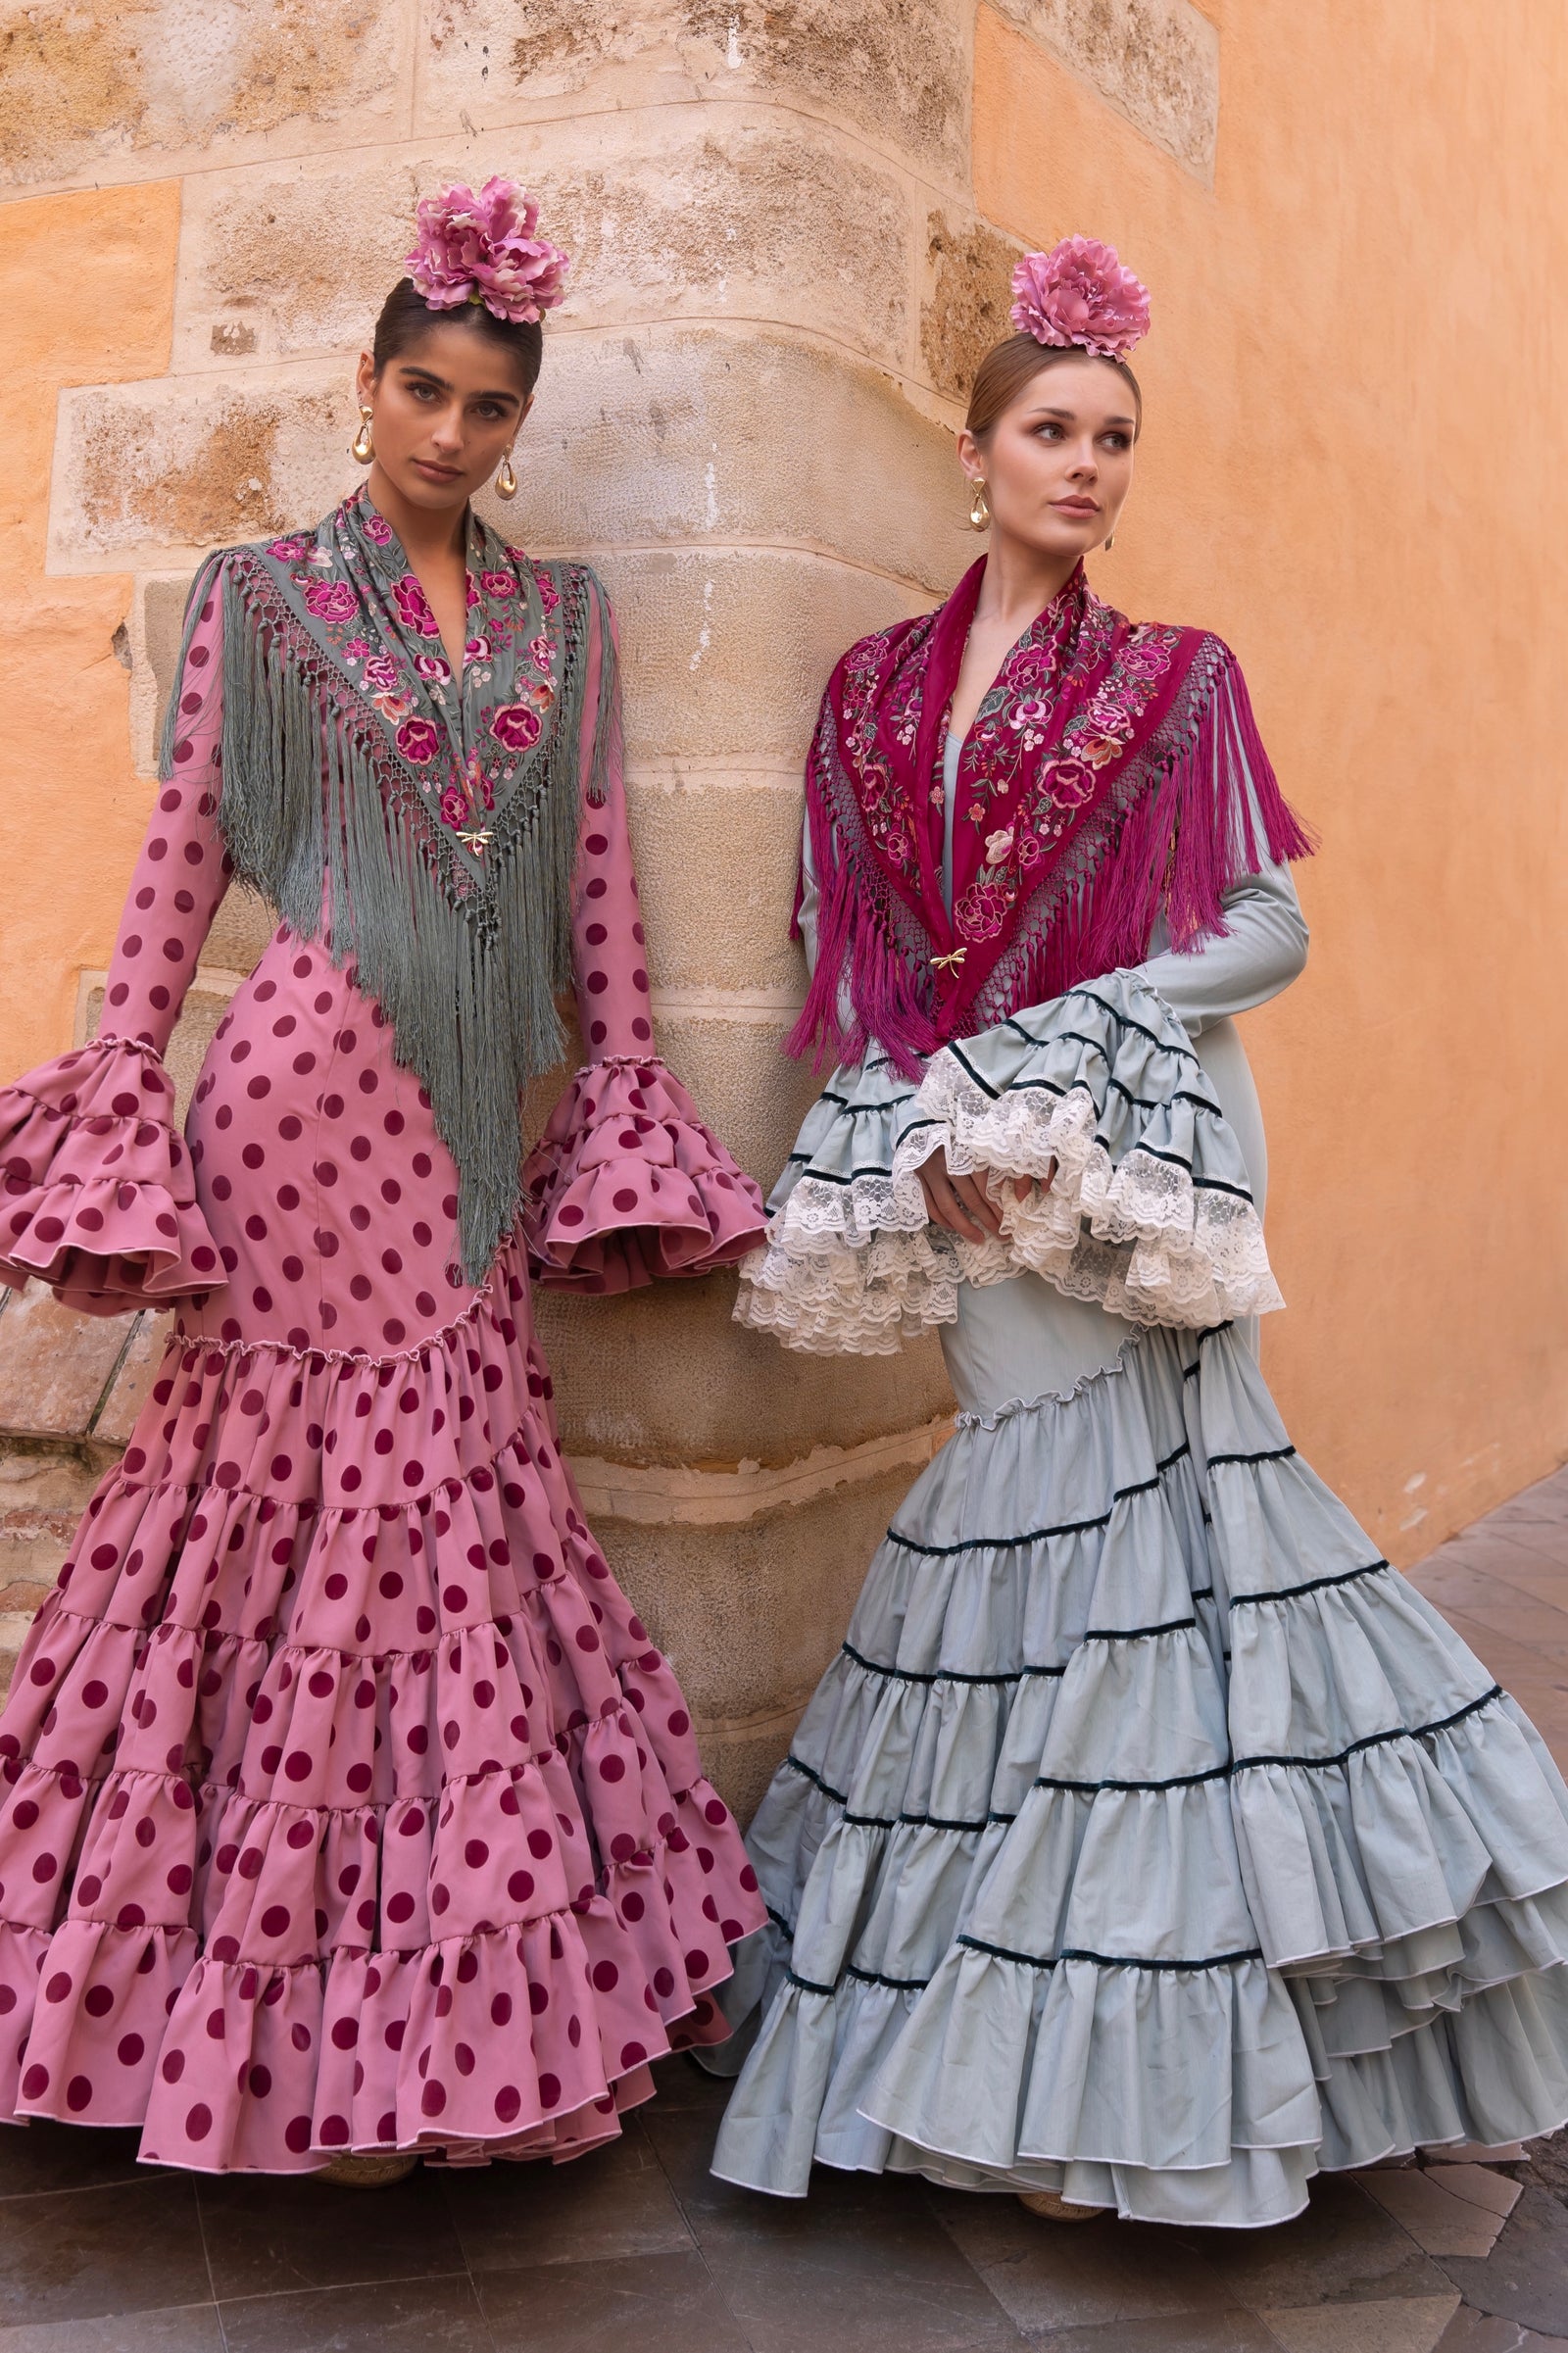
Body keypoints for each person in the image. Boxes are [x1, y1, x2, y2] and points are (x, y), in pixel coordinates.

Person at [706, 237, 1568, 2228]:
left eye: (1111, 440)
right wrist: (920, 1130)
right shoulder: (861, 699)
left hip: (1129, 1186)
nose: (1084, 466)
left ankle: (1152, 2078)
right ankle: (1022, 2046)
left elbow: (1263, 931)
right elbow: (854, 967)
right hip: (962, 1194)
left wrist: (1060, 1043)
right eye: (1049, 431)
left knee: (1161, 1566)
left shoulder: (1176, 682)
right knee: (1024, 1547)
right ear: (973, 448)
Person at [0, 178, 767, 2181]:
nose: (448, 430)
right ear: (364, 385)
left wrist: (627, 1089)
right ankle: (225, 2019)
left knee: (455, 1519)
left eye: (487, 404)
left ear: (518, 417)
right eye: (420, 389)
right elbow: (183, 850)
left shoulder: (561, 618)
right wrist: (114, 1081)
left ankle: (428, 2036)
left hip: (475, 1141)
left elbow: (592, 877)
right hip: (288, 1110)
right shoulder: (258, 597)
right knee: (278, 1511)